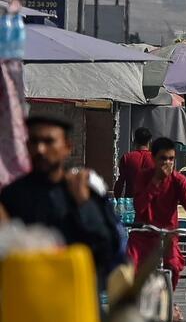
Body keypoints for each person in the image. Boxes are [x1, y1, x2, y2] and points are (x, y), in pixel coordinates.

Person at [0, 116, 123, 286]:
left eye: (49, 141)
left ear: (67, 147)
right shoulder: (11, 196)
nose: (40, 149)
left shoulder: (84, 191)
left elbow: (108, 249)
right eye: (34, 142)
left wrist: (84, 205)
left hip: (75, 298)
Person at [126, 137, 186, 322]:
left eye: (171, 159)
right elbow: (140, 207)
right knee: (131, 264)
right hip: (144, 233)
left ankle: (169, 299)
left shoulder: (179, 180)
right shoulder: (143, 177)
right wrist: (155, 183)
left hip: (168, 234)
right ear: (153, 159)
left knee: (174, 264)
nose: (167, 163)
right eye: (163, 159)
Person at [114, 127, 154, 198]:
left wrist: (117, 201)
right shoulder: (155, 159)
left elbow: (120, 184)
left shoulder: (126, 158)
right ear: (150, 141)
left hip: (131, 203)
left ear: (135, 141)